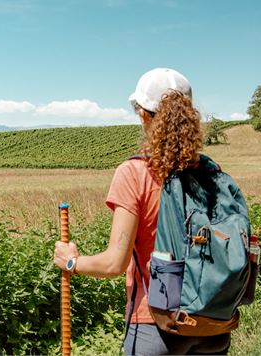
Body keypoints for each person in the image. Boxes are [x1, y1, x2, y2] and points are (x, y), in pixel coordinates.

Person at [53, 68, 231, 355]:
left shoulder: (134, 173)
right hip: (213, 323)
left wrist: (71, 262)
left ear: (142, 114)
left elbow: (114, 263)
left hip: (157, 324)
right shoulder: (211, 172)